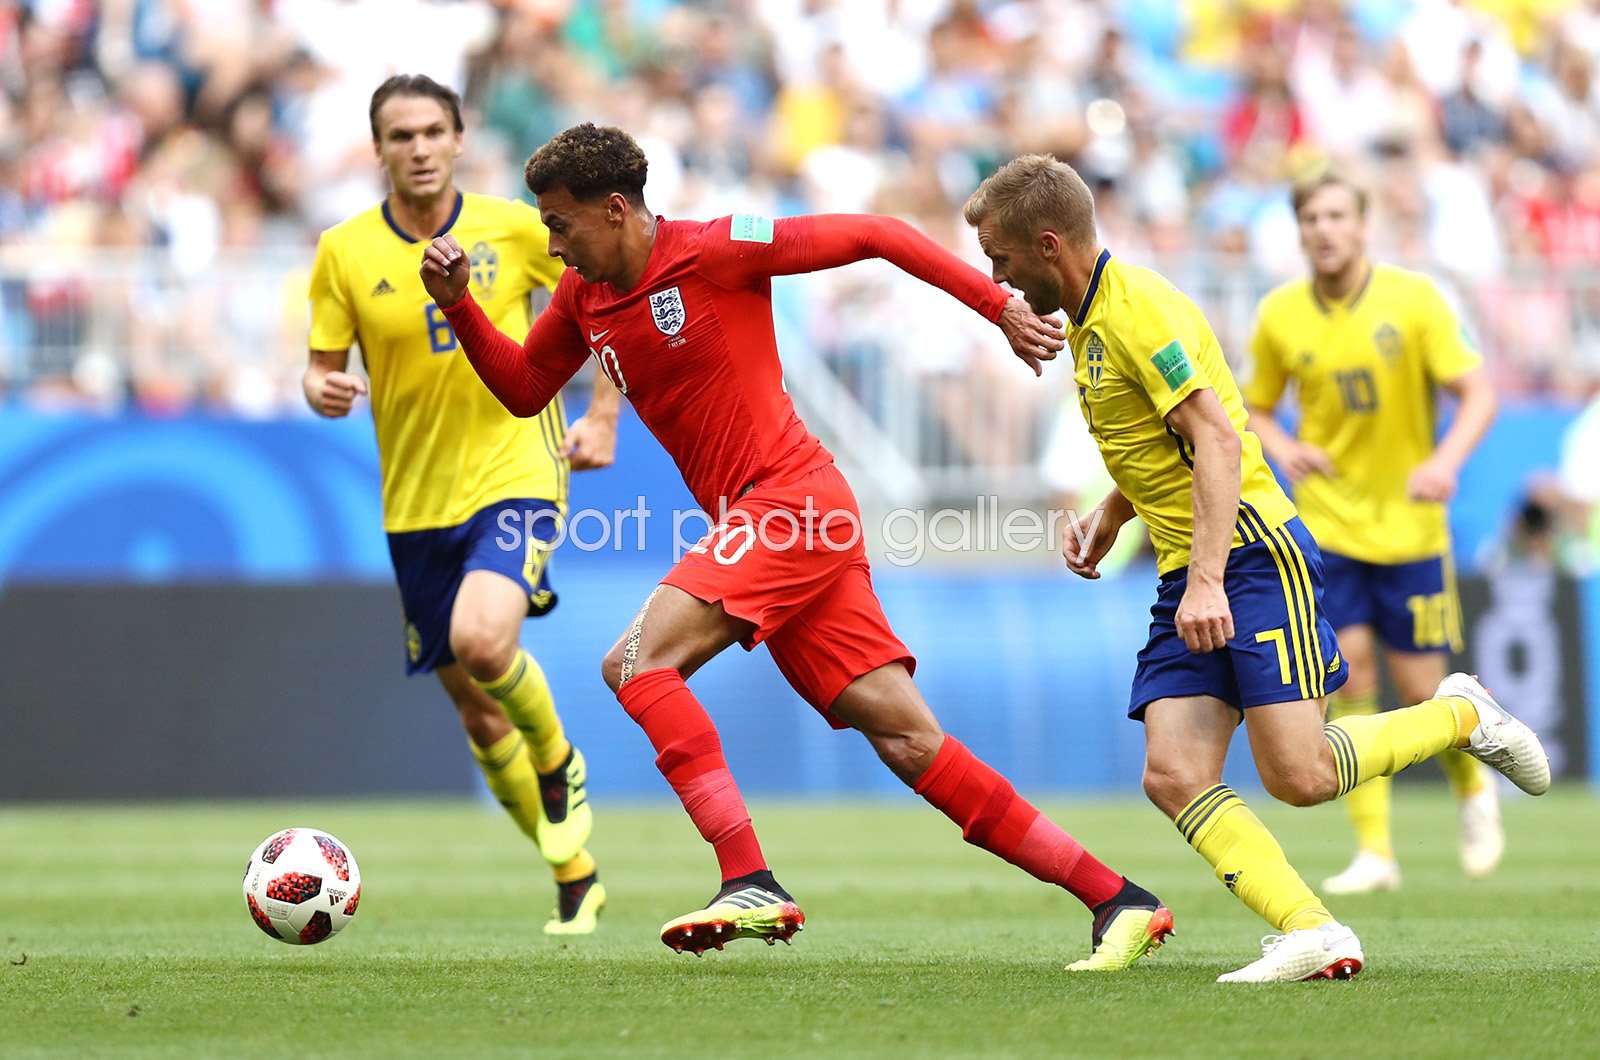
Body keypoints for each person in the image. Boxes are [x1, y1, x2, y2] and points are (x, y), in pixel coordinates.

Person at [422, 122, 1172, 971]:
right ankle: (1119, 899)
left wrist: (994, 302)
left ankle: (748, 878)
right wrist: (458, 305)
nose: (552, 245)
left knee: (635, 664)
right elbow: (524, 389)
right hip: (774, 522)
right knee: (907, 741)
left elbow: (875, 235)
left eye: (560, 225)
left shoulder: (714, 252)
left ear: (617, 209)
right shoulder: (582, 300)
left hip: (790, 504)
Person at [963, 154, 1549, 983]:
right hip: (1190, 563)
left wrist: (1206, 580)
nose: (999, 276)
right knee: (1173, 772)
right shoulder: (1092, 322)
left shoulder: (1139, 314)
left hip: (1247, 555)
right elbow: (1163, 445)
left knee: (1301, 777)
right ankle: (1312, 930)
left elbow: (1220, 439)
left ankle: (1459, 715)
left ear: (1048, 243)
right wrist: (1113, 511)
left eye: (1002, 258)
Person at [305, 76, 617, 934]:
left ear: (456, 138)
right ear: (378, 149)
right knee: (479, 713)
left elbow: (605, 301)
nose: (418, 147)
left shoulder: (516, 230)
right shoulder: (343, 251)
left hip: (517, 469)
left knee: (486, 643)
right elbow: (320, 362)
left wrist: (600, 412)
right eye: (400, 134)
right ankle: (573, 871)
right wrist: (321, 387)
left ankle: (559, 763)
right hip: (414, 504)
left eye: (433, 131)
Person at [1245, 170, 1503, 895]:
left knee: (1424, 688)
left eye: (1336, 215)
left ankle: (1474, 793)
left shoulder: (1413, 300)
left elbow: (1479, 390)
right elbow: (1252, 406)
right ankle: (1375, 852)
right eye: (1310, 218)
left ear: (1362, 226)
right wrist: (1284, 444)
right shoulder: (1279, 315)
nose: (1323, 229)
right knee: (1350, 673)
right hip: (1327, 527)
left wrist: (1446, 460)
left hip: (1411, 527)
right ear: (1299, 232)